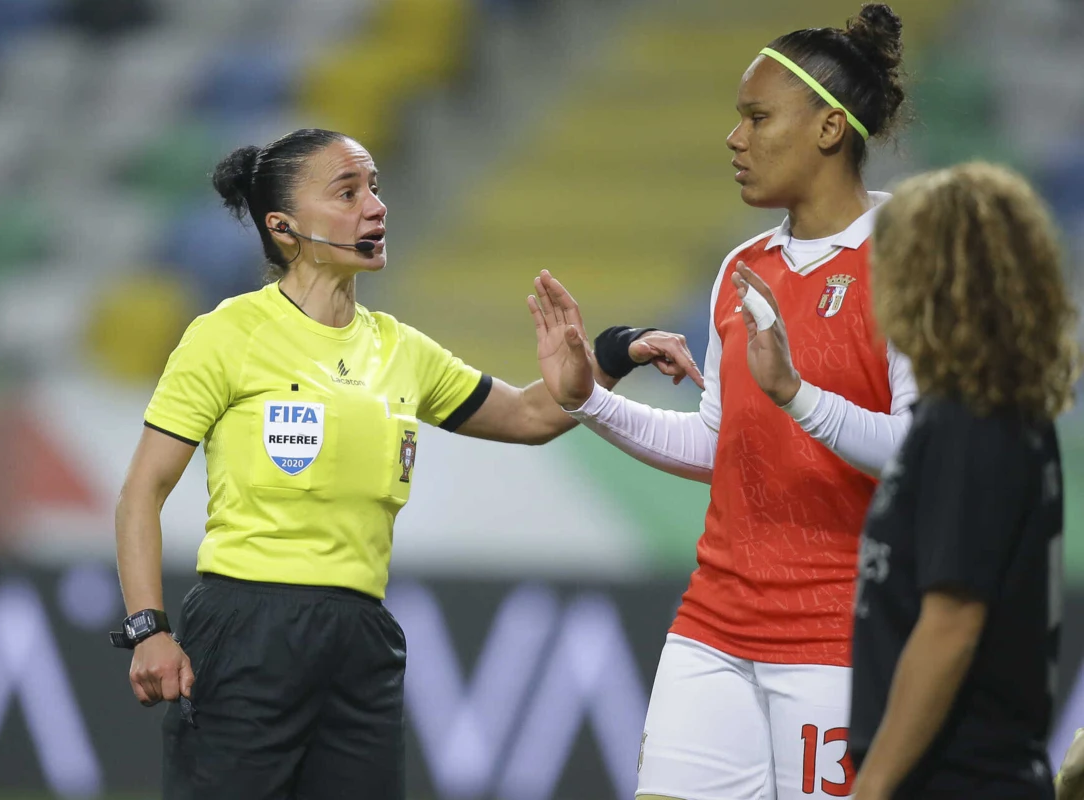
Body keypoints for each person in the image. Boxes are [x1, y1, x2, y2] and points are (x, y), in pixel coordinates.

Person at [111, 127, 698, 799]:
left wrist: (616, 351)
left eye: (376, 188)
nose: (376, 206)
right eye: (348, 191)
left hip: (361, 636)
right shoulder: (226, 335)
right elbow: (141, 491)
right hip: (248, 627)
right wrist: (147, 630)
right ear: (285, 226)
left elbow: (533, 416)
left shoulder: (401, 349)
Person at [531, 5, 917, 798]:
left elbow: (925, 454)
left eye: (756, 117)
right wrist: (586, 403)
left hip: (839, 634)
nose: (735, 140)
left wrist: (801, 399)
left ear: (829, 128)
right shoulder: (744, 266)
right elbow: (723, 448)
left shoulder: (913, 260)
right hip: (713, 626)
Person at [849, 163, 1079, 799]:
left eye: (890, 262)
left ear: (929, 281)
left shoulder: (969, 425)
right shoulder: (1001, 416)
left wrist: (872, 789)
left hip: (958, 780)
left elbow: (953, 622)